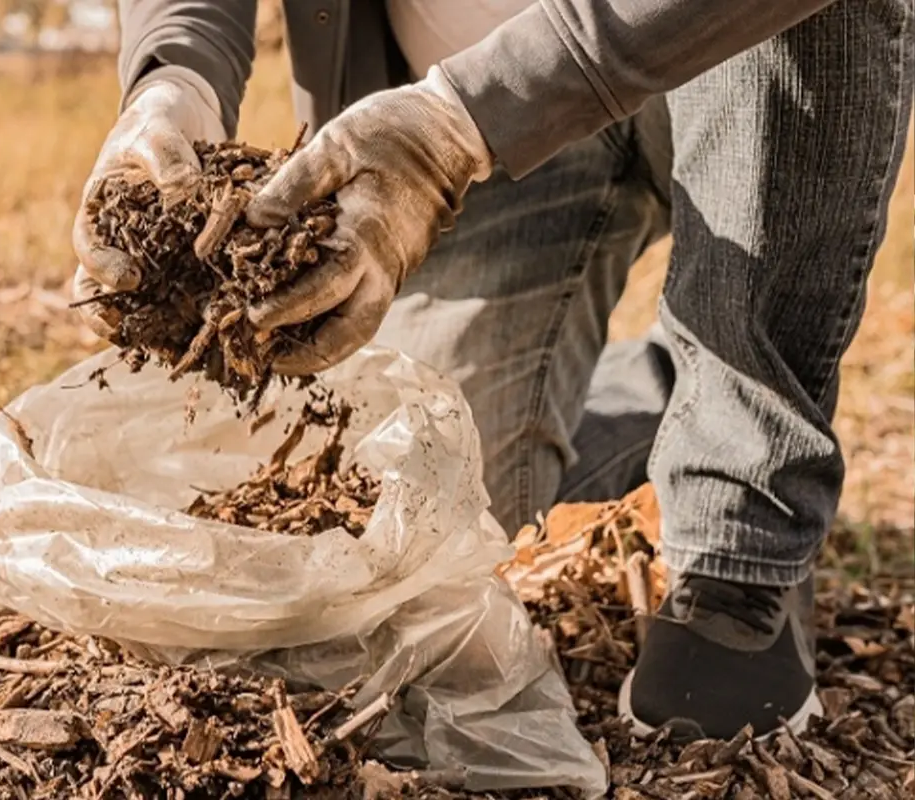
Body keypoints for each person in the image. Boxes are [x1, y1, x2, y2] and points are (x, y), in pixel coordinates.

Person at [70, 0, 913, 743]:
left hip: (713, 64)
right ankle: (680, 396)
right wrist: (173, 74)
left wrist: (454, 124)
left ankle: (742, 523)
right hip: (467, 135)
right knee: (450, 524)